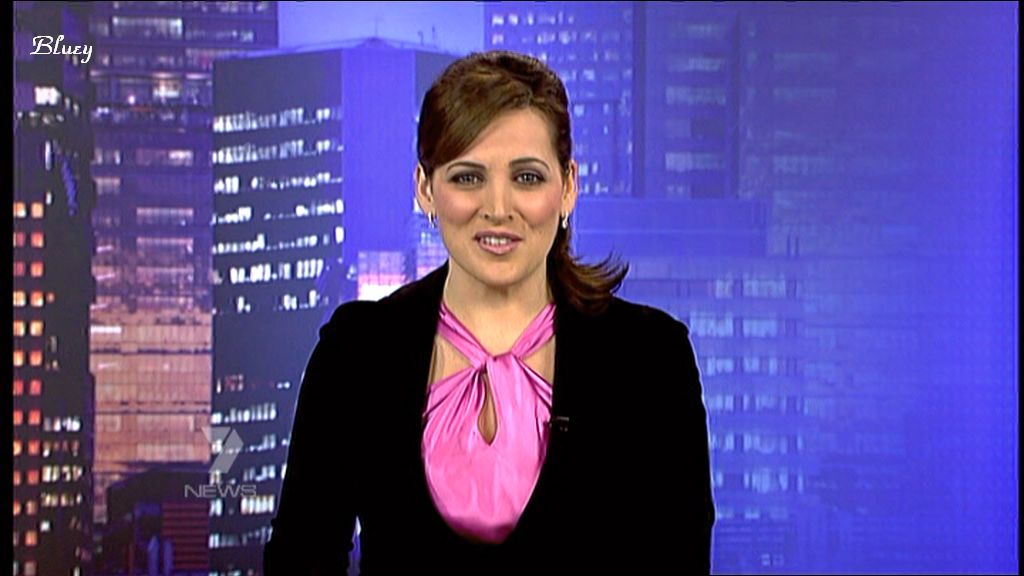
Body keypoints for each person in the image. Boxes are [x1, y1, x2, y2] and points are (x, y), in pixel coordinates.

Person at [263, 50, 715, 575]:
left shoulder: (651, 359)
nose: (498, 209)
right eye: (467, 178)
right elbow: (301, 557)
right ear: (425, 188)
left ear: (568, 186)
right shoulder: (356, 353)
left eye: (527, 177)